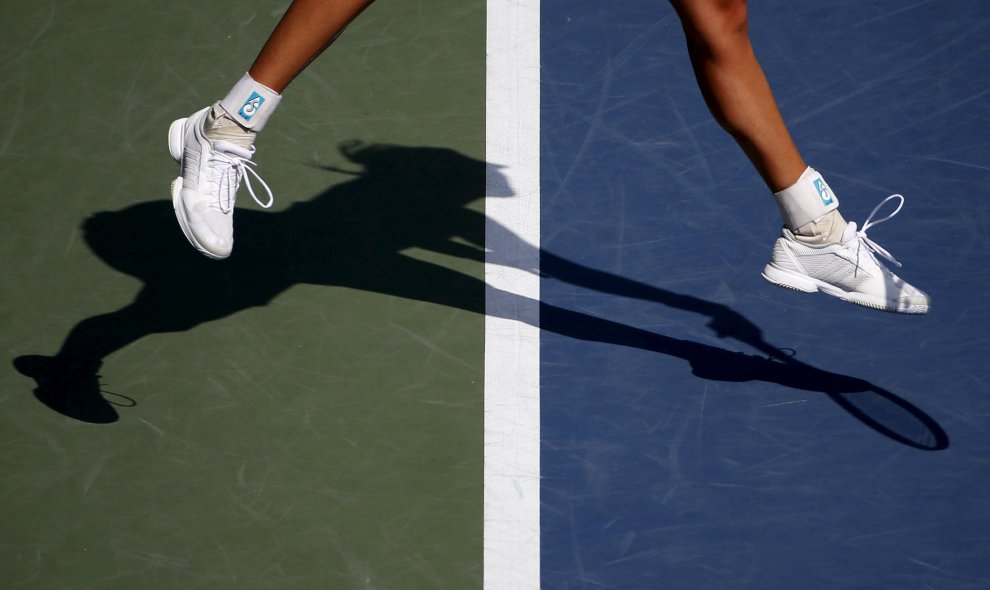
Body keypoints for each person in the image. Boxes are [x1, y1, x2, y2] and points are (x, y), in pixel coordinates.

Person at [169, 0, 930, 314]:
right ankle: (228, 126)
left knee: (717, 12)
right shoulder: (426, 195)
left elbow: (509, 250)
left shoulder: (447, 200)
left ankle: (813, 231)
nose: (482, 191)